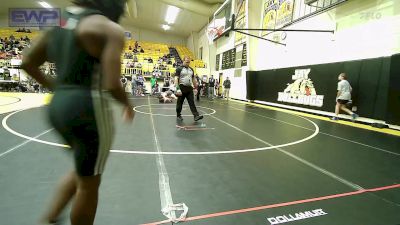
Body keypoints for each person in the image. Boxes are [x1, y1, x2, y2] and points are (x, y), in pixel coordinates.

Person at [20, 1, 134, 225]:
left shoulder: (58, 23)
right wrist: (127, 104)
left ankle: (50, 218)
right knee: (90, 184)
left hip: (57, 107)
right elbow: (112, 84)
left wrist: (59, 89)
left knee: (82, 168)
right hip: (87, 106)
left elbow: (27, 62)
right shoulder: (108, 28)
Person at [175, 56, 203, 121]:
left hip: (189, 88)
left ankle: (196, 116)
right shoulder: (179, 68)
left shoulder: (191, 69)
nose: (188, 63)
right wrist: (177, 88)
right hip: (182, 87)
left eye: (189, 62)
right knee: (180, 103)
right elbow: (176, 78)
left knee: (192, 102)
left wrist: (196, 87)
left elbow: (193, 79)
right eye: (186, 62)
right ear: (183, 61)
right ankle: (178, 115)